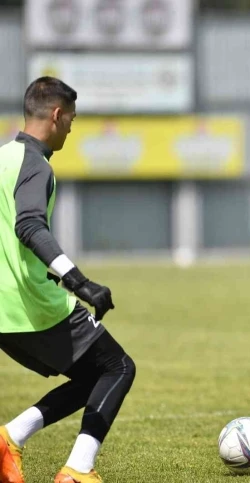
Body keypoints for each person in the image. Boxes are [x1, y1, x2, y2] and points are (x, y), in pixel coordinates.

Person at [0, 77, 136, 483]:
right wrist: (79, 282)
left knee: (92, 374)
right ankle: (78, 469)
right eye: (72, 120)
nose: (72, 129)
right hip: (31, 304)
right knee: (118, 367)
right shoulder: (34, 164)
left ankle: (9, 439)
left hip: (4, 312)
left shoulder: (3, 157)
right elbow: (29, 226)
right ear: (57, 115)